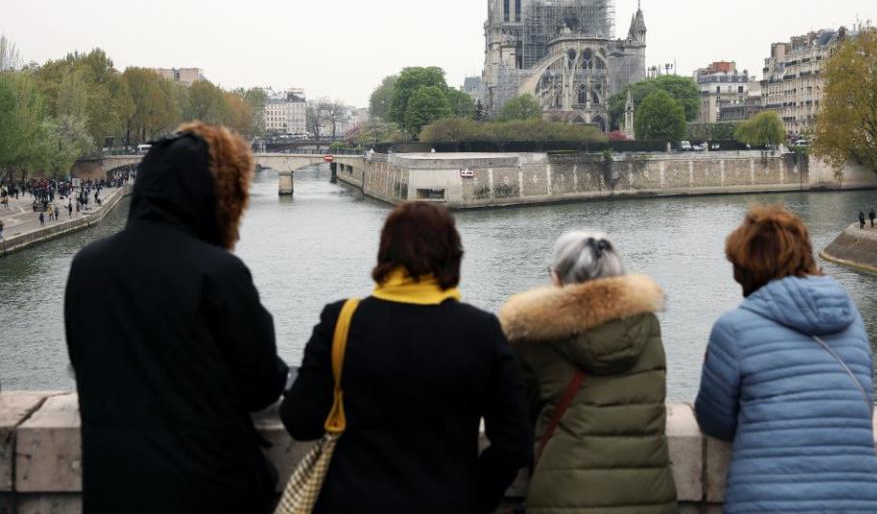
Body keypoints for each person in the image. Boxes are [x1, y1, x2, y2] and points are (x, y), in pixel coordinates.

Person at [65, 121, 288, 514]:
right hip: (211, 491)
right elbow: (262, 385)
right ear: (216, 194)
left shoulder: (87, 266)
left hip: (113, 492)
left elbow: (86, 363)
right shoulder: (217, 271)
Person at [280, 201, 531, 513]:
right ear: (453, 256)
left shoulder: (342, 320)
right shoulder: (480, 330)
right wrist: (477, 493)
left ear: (385, 253)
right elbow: (515, 440)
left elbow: (300, 422)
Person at [694, 205, 877, 512]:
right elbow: (862, 408)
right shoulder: (852, 322)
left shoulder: (733, 328)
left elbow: (714, 421)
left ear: (745, 268)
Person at [498, 232, 678, 514]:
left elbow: (524, 412)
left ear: (557, 279)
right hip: (651, 497)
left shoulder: (533, 338)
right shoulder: (648, 327)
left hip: (563, 498)